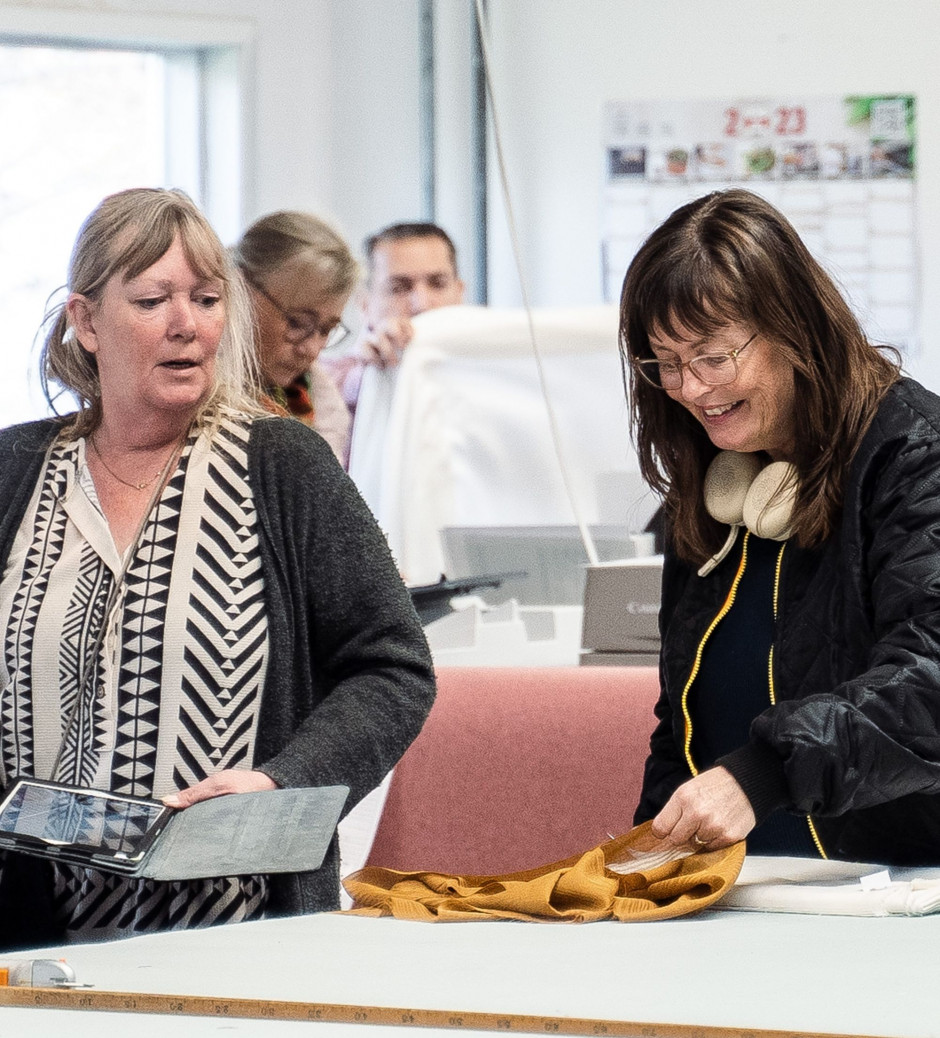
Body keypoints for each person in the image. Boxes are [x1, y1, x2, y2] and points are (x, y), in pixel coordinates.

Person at [0, 188, 435, 948]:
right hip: (32, 934)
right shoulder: (15, 469)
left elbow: (393, 668)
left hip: (240, 931)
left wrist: (282, 783)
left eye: (206, 299)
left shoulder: (280, 465)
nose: (186, 325)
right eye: (151, 300)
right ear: (85, 320)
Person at [621, 187, 940, 866]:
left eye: (713, 356)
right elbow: (681, 724)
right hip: (736, 895)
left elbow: (929, 685)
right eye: (666, 363)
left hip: (895, 895)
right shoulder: (716, 481)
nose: (691, 388)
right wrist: (644, 856)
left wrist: (762, 773)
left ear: (793, 328)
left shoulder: (914, 456)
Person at [321, 221, 465, 449]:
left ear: (459, 294)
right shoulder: (325, 383)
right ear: (365, 305)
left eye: (437, 284)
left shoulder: (491, 375)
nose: (422, 305)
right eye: (399, 287)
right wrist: (372, 375)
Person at [231, 210, 357, 463]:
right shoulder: (186, 388)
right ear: (240, 288)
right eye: (298, 323)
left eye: (326, 330)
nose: (311, 350)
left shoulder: (323, 409)